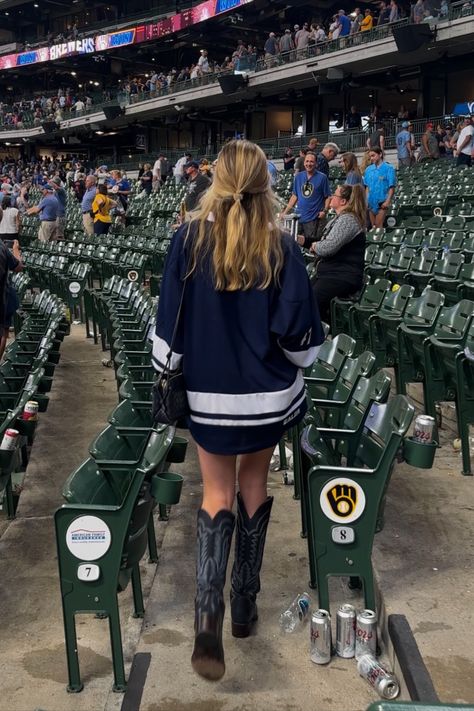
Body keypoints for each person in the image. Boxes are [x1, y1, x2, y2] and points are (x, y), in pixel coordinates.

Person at [152, 139, 324, 682]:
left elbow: (170, 331)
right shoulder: (282, 246)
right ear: (265, 182)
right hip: (266, 398)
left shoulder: (189, 239)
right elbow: (299, 339)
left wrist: (172, 364)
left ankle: (208, 613)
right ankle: (244, 608)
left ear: (217, 180)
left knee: (215, 493)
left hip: (209, 396)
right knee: (254, 485)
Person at [310, 184, 366, 323]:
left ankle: (320, 333)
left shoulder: (348, 220)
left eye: (334, 195)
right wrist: (303, 240)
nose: (331, 197)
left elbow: (328, 247)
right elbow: (323, 241)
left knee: (313, 299)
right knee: (304, 294)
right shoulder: (339, 218)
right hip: (332, 273)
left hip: (343, 275)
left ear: (343, 201)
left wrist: (316, 246)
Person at [280, 151, 331, 247]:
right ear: (304, 163)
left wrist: (325, 211)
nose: (309, 164)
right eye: (307, 161)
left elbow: (328, 196)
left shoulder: (322, 177)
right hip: (299, 217)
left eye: (311, 162)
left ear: (316, 163)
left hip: (313, 219)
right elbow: (294, 196)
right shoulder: (298, 176)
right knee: (294, 243)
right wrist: (285, 212)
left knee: (309, 245)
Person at [0, 239, 23, 359]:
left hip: (5, 296)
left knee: (3, 331)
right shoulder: (2, 247)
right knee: (3, 331)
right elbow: (18, 266)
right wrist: (15, 250)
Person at [363, 147, 396, 227]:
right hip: (371, 202)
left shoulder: (389, 168)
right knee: (373, 226)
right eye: (370, 156)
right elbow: (367, 187)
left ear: (380, 154)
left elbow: (391, 187)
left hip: (382, 201)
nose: (371, 158)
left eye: (373, 155)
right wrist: (366, 200)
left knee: (378, 226)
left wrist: (387, 201)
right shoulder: (368, 169)